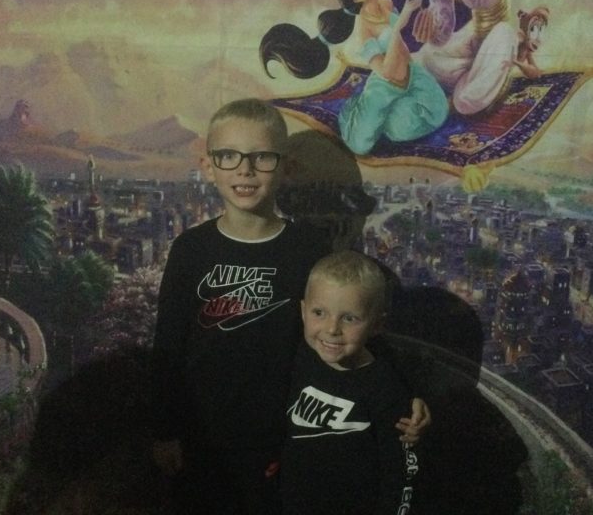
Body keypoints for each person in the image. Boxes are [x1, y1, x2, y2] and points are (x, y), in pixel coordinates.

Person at [150, 98, 428, 513]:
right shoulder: (191, 249)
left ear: (286, 167)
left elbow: (350, 328)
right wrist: (163, 430)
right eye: (229, 156)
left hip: (283, 440)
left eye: (261, 157)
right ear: (208, 166)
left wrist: (405, 397)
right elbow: (168, 345)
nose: (245, 170)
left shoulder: (307, 248)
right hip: (200, 437)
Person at [280, 250, 419, 514]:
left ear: (376, 325)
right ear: (303, 311)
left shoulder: (385, 388)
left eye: (349, 318)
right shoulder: (300, 358)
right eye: (319, 312)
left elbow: (400, 472)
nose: (332, 329)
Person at [260, 0, 448, 155]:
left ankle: (380, 108)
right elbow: (387, 73)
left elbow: (403, 49)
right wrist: (398, 27)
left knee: (436, 111)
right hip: (385, 87)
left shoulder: (386, 3)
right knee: (362, 143)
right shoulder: (362, 28)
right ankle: (358, 109)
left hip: (413, 76)